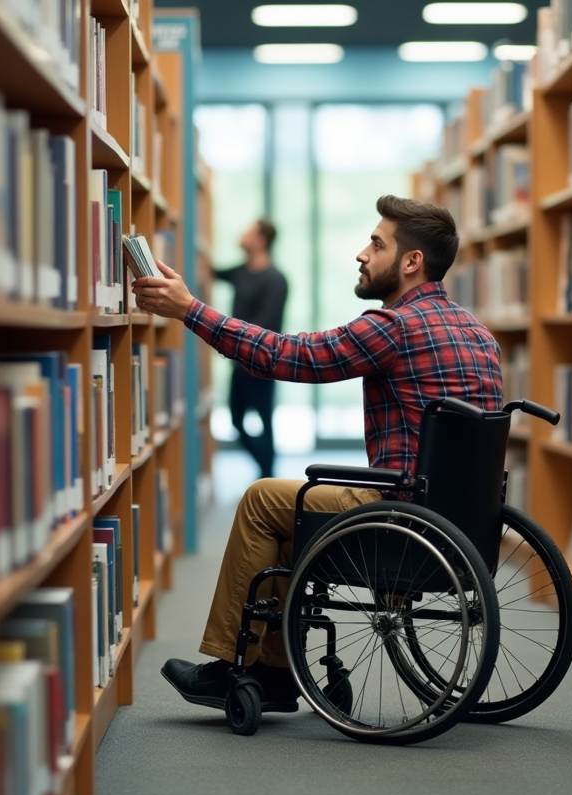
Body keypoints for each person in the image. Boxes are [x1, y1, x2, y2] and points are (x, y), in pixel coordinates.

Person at [131, 195, 504, 711]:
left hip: (404, 517)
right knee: (291, 525)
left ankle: (231, 664)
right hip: (462, 525)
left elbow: (289, 357)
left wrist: (190, 311)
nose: (362, 254)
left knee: (264, 499)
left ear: (412, 262)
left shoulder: (392, 327)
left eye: (377, 244)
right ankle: (275, 673)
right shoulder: (477, 332)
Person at [214, 219, 288, 479]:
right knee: (236, 421)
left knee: (265, 421)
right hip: (238, 363)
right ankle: (265, 470)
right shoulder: (240, 272)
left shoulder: (276, 279)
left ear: (260, 240)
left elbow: (266, 323)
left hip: (264, 364)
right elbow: (212, 272)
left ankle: (268, 476)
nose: (242, 234)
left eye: (248, 231)